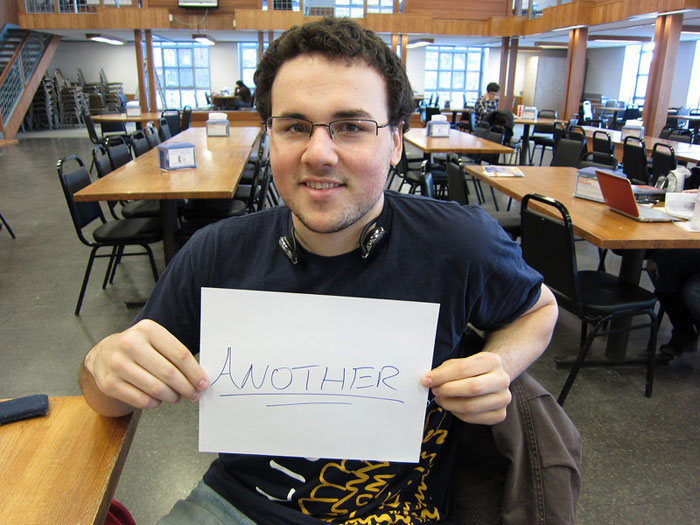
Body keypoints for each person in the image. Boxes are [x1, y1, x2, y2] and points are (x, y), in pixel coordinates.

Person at [79, 17, 559, 524]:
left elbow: (540, 309)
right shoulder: (216, 253)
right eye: (295, 127)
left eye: (351, 126)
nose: (319, 153)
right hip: (235, 505)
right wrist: (101, 363)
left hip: (393, 510)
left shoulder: (460, 243)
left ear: (396, 141)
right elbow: (104, 398)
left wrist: (501, 366)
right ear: (270, 138)